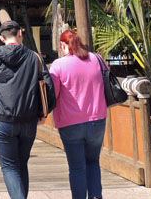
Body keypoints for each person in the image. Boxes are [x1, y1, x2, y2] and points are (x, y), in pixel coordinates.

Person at [0, 20, 53, 199]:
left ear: (1, 38)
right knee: (22, 164)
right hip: (29, 117)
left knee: (9, 166)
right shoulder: (34, 57)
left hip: (2, 117)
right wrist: (45, 112)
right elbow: (49, 86)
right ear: (20, 34)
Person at [49, 30, 108, 199]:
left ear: (62, 45)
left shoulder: (58, 65)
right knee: (93, 162)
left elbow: (54, 93)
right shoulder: (97, 59)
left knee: (77, 167)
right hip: (97, 119)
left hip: (70, 122)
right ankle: (96, 196)